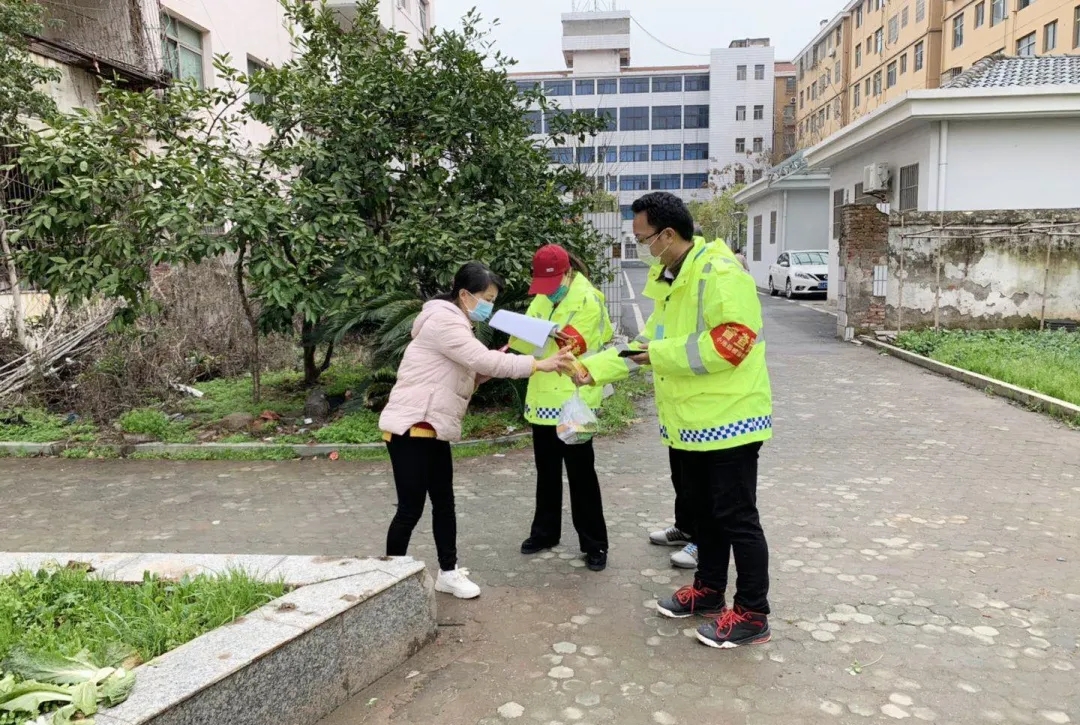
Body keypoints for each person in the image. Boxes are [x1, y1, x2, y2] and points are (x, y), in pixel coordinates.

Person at [574, 192, 774, 649]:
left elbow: (734, 342)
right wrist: (591, 369)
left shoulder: (719, 273)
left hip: (730, 418)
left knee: (737, 518)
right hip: (690, 423)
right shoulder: (670, 277)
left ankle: (752, 613)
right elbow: (646, 344)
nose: (641, 247)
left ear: (667, 234)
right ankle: (708, 591)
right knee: (704, 514)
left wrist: (659, 354)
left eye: (643, 238)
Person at [380, 262, 576, 600]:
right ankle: (388, 579)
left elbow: (471, 368)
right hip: (411, 428)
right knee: (411, 509)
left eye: (493, 300)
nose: (490, 305)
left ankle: (448, 573)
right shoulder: (444, 321)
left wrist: (489, 367)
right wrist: (539, 364)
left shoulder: (457, 323)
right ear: (464, 294)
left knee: (444, 503)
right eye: (487, 298)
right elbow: (482, 360)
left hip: (432, 427)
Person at [511, 245, 614, 572]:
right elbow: (524, 341)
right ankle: (545, 533)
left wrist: (540, 337)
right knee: (547, 471)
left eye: (552, 283)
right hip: (543, 400)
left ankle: (594, 543)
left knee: (581, 474)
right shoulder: (542, 299)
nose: (547, 291)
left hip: (574, 401)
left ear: (567, 273)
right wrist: (528, 336)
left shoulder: (588, 300)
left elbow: (573, 346)